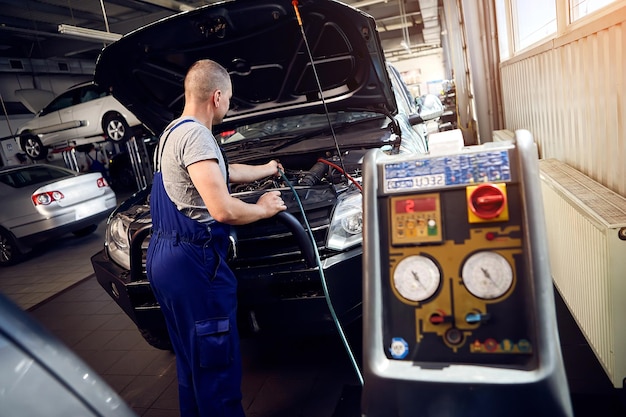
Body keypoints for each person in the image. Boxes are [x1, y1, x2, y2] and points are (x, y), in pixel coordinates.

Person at [146, 59, 286, 417]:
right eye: (230, 99)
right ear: (217, 96)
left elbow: (223, 170)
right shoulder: (196, 136)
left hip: (165, 257)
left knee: (192, 363)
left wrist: (268, 169)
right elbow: (223, 210)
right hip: (195, 266)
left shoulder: (173, 132)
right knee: (216, 366)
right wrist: (264, 208)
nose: (229, 106)